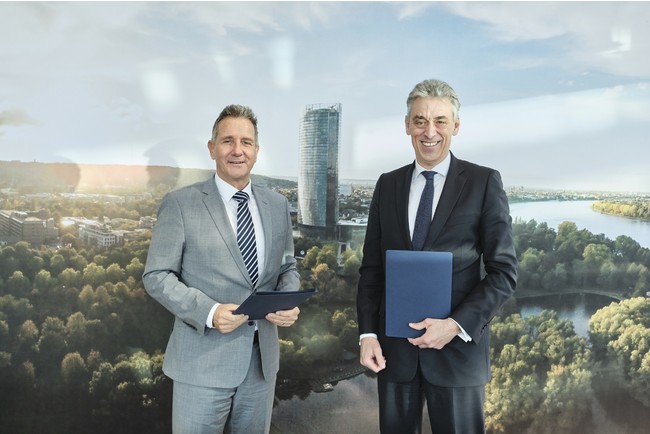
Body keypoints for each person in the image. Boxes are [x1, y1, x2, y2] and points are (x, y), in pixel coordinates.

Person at [356, 79, 518, 434]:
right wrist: (367, 334)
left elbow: (504, 272)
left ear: (455, 126)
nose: (429, 132)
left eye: (440, 121)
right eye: (420, 121)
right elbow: (371, 270)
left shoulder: (483, 182)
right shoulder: (387, 185)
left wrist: (455, 325)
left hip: (457, 357)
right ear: (407, 126)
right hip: (395, 357)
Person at [143, 104, 300, 434]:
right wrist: (210, 312)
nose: (237, 150)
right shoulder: (180, 204)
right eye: (228, 141)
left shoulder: (277, 205)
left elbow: (288, 267)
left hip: (261, 366)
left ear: (257, 151)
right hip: (201, 365)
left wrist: (287, 299)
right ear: (212, 148)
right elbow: (157, 276)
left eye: (246, 142)